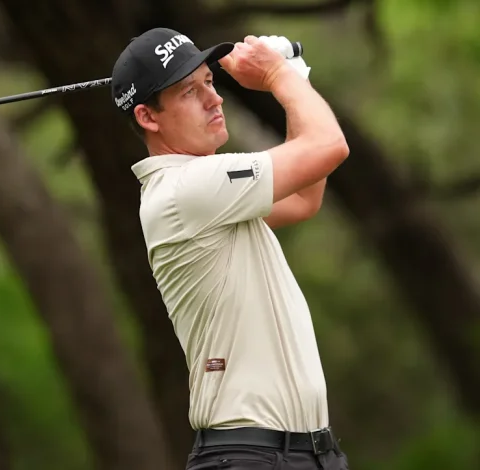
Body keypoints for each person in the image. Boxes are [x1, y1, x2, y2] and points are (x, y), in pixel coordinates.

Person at [110, 28, 351, 470]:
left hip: (305, 454)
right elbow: (329, 147)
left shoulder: (208, 193)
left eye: (209, 81)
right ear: (148, 117)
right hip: (250, 457)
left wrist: (296, 77)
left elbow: (303, 199)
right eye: (189, 91)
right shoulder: (186, 189)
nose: (214, 99)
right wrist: (280, 74)